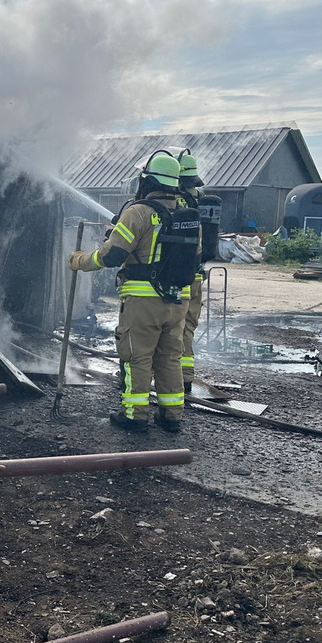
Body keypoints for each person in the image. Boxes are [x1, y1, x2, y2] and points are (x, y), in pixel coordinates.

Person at [68, 151, 196, 433]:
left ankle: (135, 415)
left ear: (148, 181)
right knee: (169, 357)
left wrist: (80, 260)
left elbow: (112, 256)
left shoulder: (138, 212)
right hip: (178, 301)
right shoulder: (186, 213)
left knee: (137, 356)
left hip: (143, 301)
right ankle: (171, 415)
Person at [177, 150, 204, 394]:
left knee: (172, 331)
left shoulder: (177, 204)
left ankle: (176, 382)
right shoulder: (197, 200)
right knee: (188, 329)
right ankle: (185, 378)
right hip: (196, 277)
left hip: (180, 279)